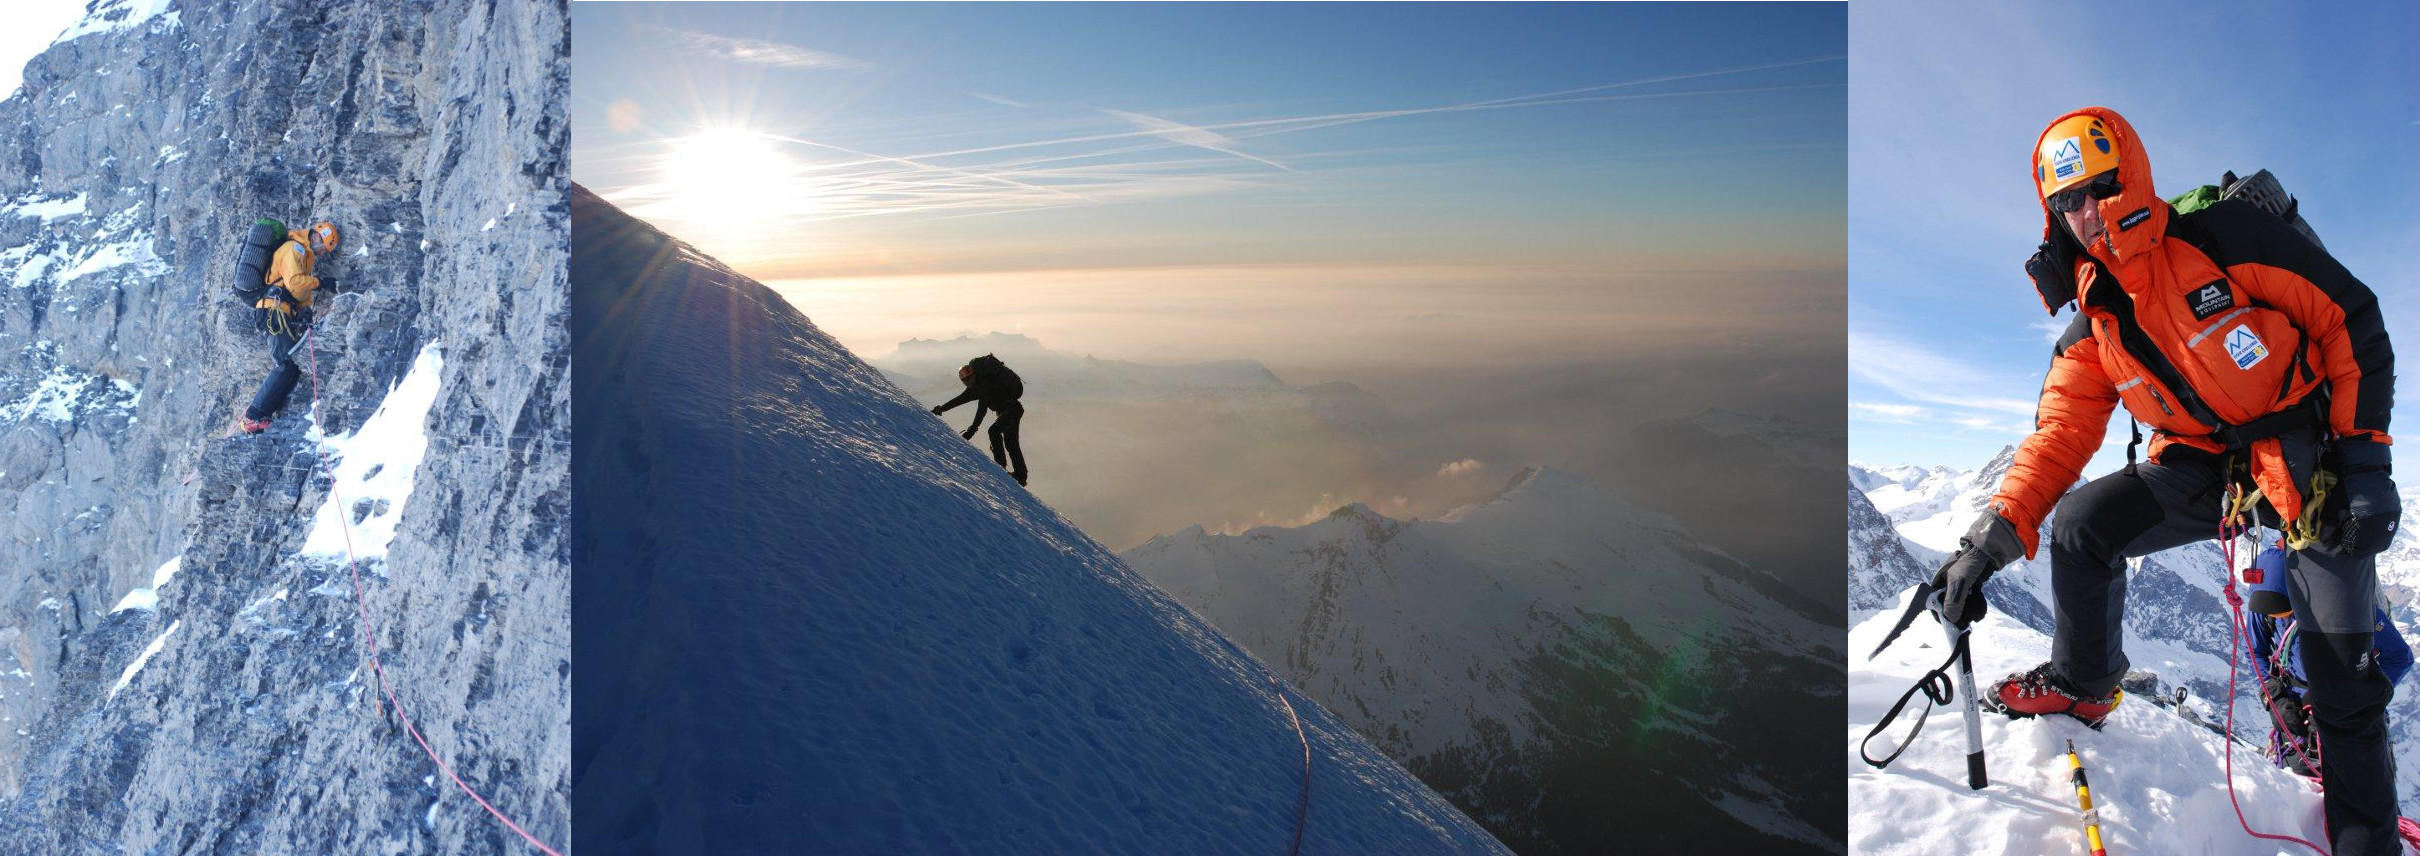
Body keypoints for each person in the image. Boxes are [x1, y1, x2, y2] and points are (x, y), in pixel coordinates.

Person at [1926, 107, 2403, 853]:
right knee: (2083, 526)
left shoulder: (2222, 240)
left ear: (2133, 179)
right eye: (2066, 203)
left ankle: (2365, 838)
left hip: (2306, 454)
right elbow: (2061, 434)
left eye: (2099, 190)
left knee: (2341, 675)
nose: (2086, 214)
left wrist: (2365, 463)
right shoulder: (2094, 315)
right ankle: (2086, 684)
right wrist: (1990, 539)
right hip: (2200, 463)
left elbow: (2352, 320)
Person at [2244, 545, 2413, 779]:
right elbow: (2255, 651)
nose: (2276, 617)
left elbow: (2398, 657)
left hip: (2351, 718)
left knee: (2362, 796)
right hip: (2297, 718)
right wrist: (2275, 698)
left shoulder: (2346, 603)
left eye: (2283, 612)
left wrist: (2345, 701)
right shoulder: (2265, 603)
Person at [236, 221, 339, 434]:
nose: (322, 253)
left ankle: (262, 415)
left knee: (291, 366)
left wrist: (305, 310)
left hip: (280, 311)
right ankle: (253, 417)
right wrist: (320, 283)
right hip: (273, 311)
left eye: (325, 251)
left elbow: (298, 291)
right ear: (316, 237)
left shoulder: (304, 257)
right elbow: (294, 282)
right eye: (323, 248)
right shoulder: (295, 248)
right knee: (284, 364)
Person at [932, 354, 1027, 486]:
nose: (967, 381)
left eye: (968, 378)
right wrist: (942, 408)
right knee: (1011, 443)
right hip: (1011, 411)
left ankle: (1000, 467)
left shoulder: (984, 385)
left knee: (994, 431)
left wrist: (973, 429)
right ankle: (1020, 476)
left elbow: (982, 409)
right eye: (965, 379)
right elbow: (959, 399)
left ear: (973, 375)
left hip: (1011, 411)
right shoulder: (976, 386)